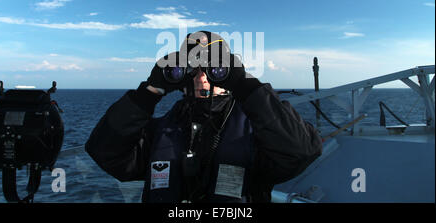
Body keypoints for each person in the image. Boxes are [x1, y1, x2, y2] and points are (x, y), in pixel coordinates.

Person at [85, 31, 322, 203]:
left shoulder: (256, 129)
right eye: (192, 69)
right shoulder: (161, 131)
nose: (201, 78)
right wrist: (148, 94)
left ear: (229, 70)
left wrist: (247, 87)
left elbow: (301, 151)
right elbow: (106, 152)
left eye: (214, 69)